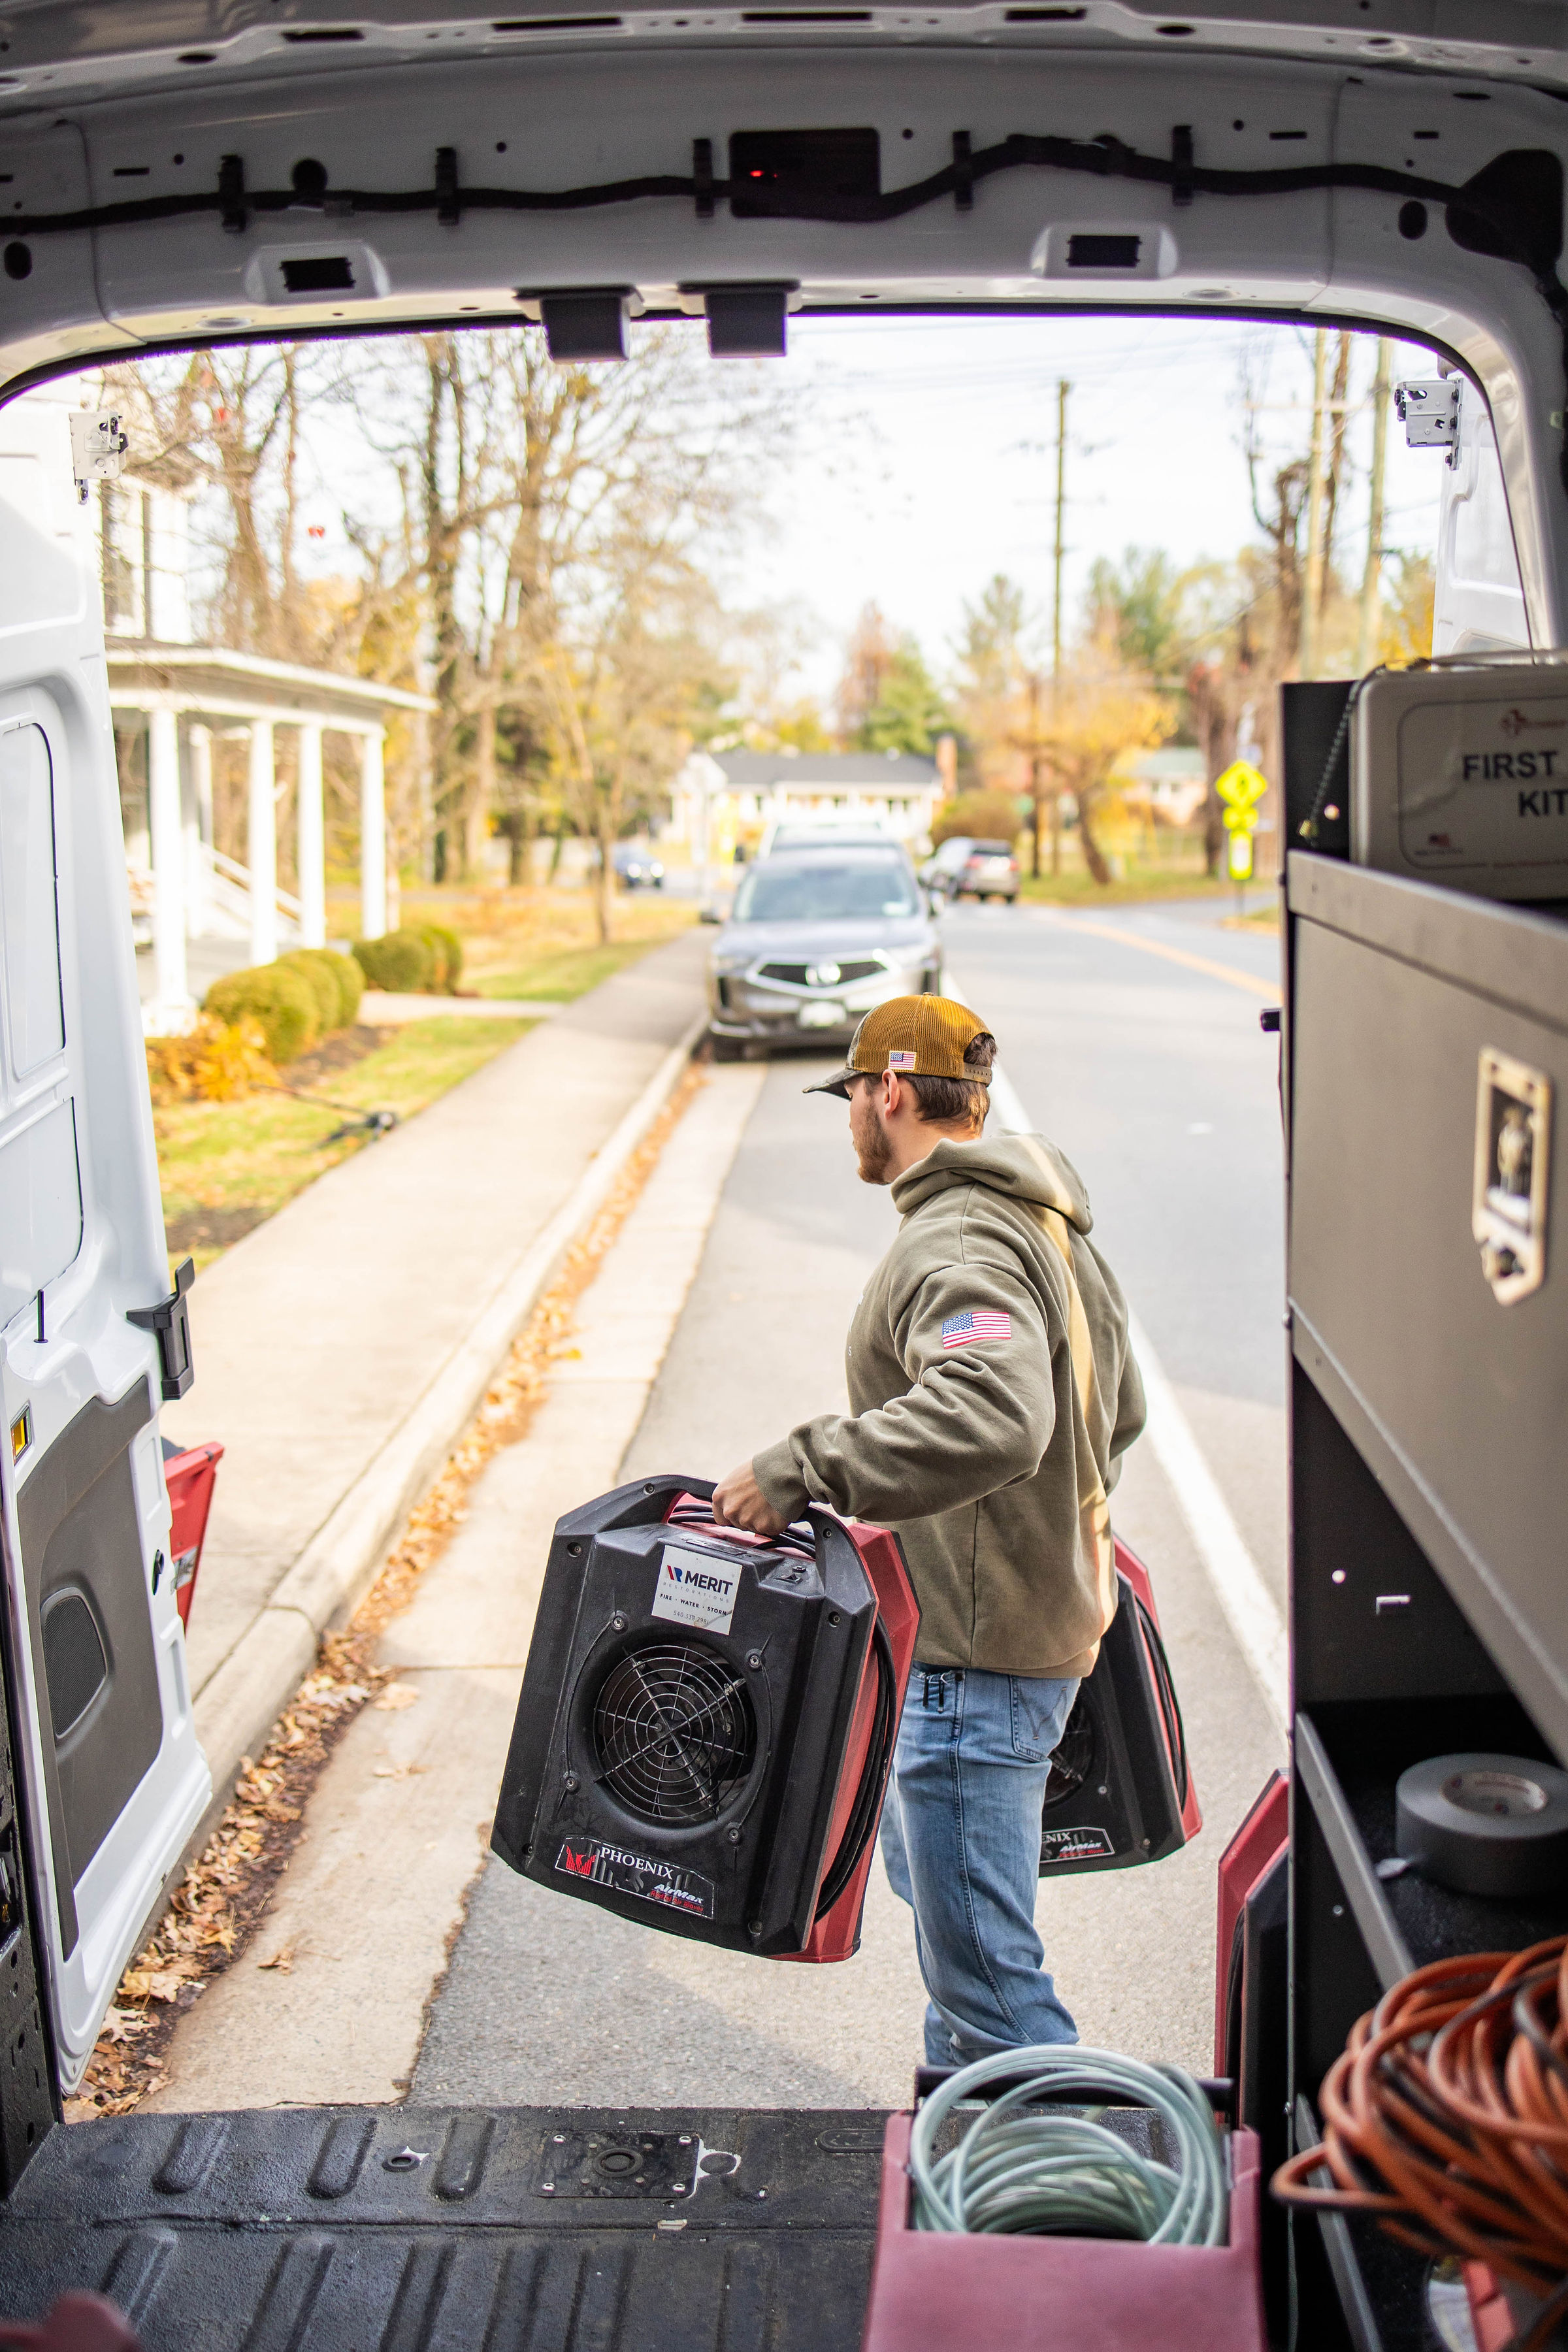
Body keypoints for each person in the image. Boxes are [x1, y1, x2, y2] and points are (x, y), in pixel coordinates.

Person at [713, 992, 1145, 2065]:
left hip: (976, 1666)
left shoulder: (959, 1239)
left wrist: (799, 1469)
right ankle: (963, 2135)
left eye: (854, 1092)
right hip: (1006, 1644)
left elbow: (993, 1412)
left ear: (893, 1091)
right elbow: (1119, 1412)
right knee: (954, 1934)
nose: (852, 1115)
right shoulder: (1038, 1222)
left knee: (991, 1982)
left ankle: (1069, 2152)